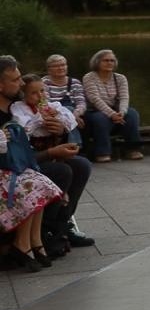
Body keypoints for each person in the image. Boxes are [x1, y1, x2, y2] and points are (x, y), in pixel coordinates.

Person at [0, 56, 67, 272]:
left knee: (44, 180)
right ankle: (24, 243)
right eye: (15, 80)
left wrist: (59, 129)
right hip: (8, 167)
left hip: (18, 163)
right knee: (37, 182)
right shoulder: (14, 110)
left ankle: (37, 240)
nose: (21, 83)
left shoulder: (16, 105)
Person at [16, 74, 95, 253]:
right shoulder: (19, 109)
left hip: (48, 149)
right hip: (28, 157)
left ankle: (63, 224)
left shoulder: (52, 106)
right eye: (34, 93)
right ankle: (47, 230)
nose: (40, 96)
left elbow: (68, 123)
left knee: (81, 165)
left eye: (42, 91)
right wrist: (39, 120)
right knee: (62, 170)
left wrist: (60, 127)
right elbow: (23, 132)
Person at [81, 49, 143, 162]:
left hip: (116, 111)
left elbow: (124, 98)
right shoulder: (89, 77)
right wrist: (112, 114)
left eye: (112, 60)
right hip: (94, 111)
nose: (109, 63)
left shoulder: (120, 78)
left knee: (132, 114)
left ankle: (133, 149)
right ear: (97, 62)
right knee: (100, 118)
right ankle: (102, 152)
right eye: (105, 60)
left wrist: (122, 112)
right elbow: (95, 99)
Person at [42, 54, 87, 145]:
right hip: (52, 113)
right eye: (56, 66)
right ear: (49, 69)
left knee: (72, 110)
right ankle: (75, 145)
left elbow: (81, 103)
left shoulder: (75, 83)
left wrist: (74, 115)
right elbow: (44, 102)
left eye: (63, 65)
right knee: (68, 109)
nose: (60, 68)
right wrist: (63, 113)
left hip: (74, 114)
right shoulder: (43, 82)